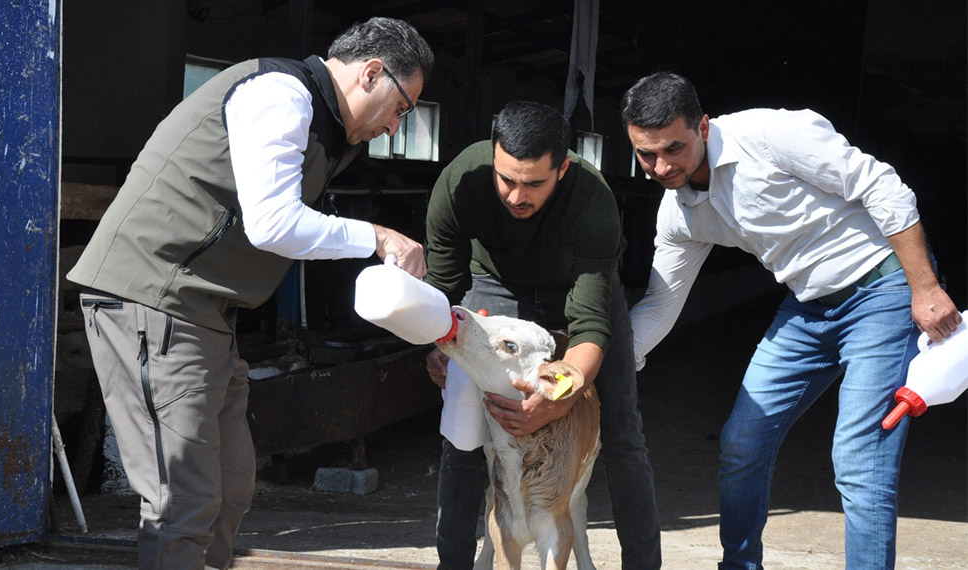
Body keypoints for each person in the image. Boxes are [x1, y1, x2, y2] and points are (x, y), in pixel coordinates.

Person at [67, 17, 434, 570]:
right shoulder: (282, 94)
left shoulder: (322, 126)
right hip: (155, 298)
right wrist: (376, 236)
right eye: (402, 108)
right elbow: (271, 223)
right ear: (372, 73)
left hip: (206, 313)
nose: (394, 128)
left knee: (231, 489)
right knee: (182, 503)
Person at [621, 72, 962, 569]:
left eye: (673, 148)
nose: (661, 166)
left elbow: (881, 185)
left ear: (704, 127)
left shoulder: (770, 136)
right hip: (808, 308)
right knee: (742, 442)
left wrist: (924, 287)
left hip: (881, 291)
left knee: (860, 462)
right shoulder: (679, 214)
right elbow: (659, 304)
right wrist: (599, 369)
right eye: (645, 154)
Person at [423, 100, 662, 569]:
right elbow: (441, 290)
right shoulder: (460, 182)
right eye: (506, 179)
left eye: (534, 183)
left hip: (580, 286)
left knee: (621, 430)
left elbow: (591, 324)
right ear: (493, 156)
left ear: (563, 168)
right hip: (495, 281)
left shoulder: (592, 200)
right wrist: (438, 347)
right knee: (463, 430)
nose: (516, 196)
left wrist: (565, 393)